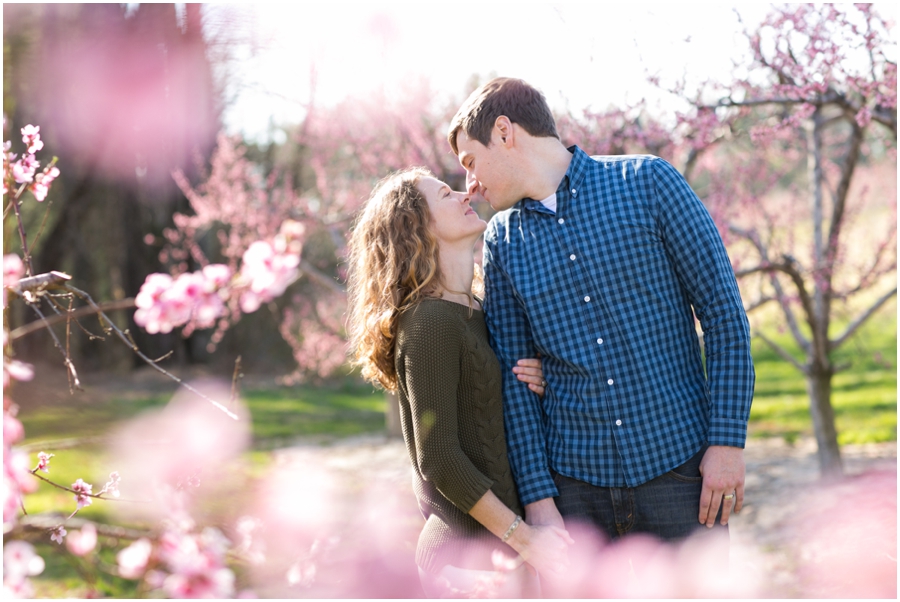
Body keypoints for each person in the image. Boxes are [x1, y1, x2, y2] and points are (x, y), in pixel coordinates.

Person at [447, 78, 755, 550]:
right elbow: (516, 382)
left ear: (505, 132)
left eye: (471, 161)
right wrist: (539, 500)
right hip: (575, 495)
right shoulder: (501, 241)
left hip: (680, 473)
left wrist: (728, 441)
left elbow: (723, 316)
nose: (470, 183)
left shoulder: (649, 183)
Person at [345, 167, 573, 598]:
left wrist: (543, 380)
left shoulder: (478, 312)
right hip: (465, 558)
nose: (466, 193)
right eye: (446, 194)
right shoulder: (429, 322)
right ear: (415, 226)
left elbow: (489, 413)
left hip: (503, 548)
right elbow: (439, 457)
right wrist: (523, 538)